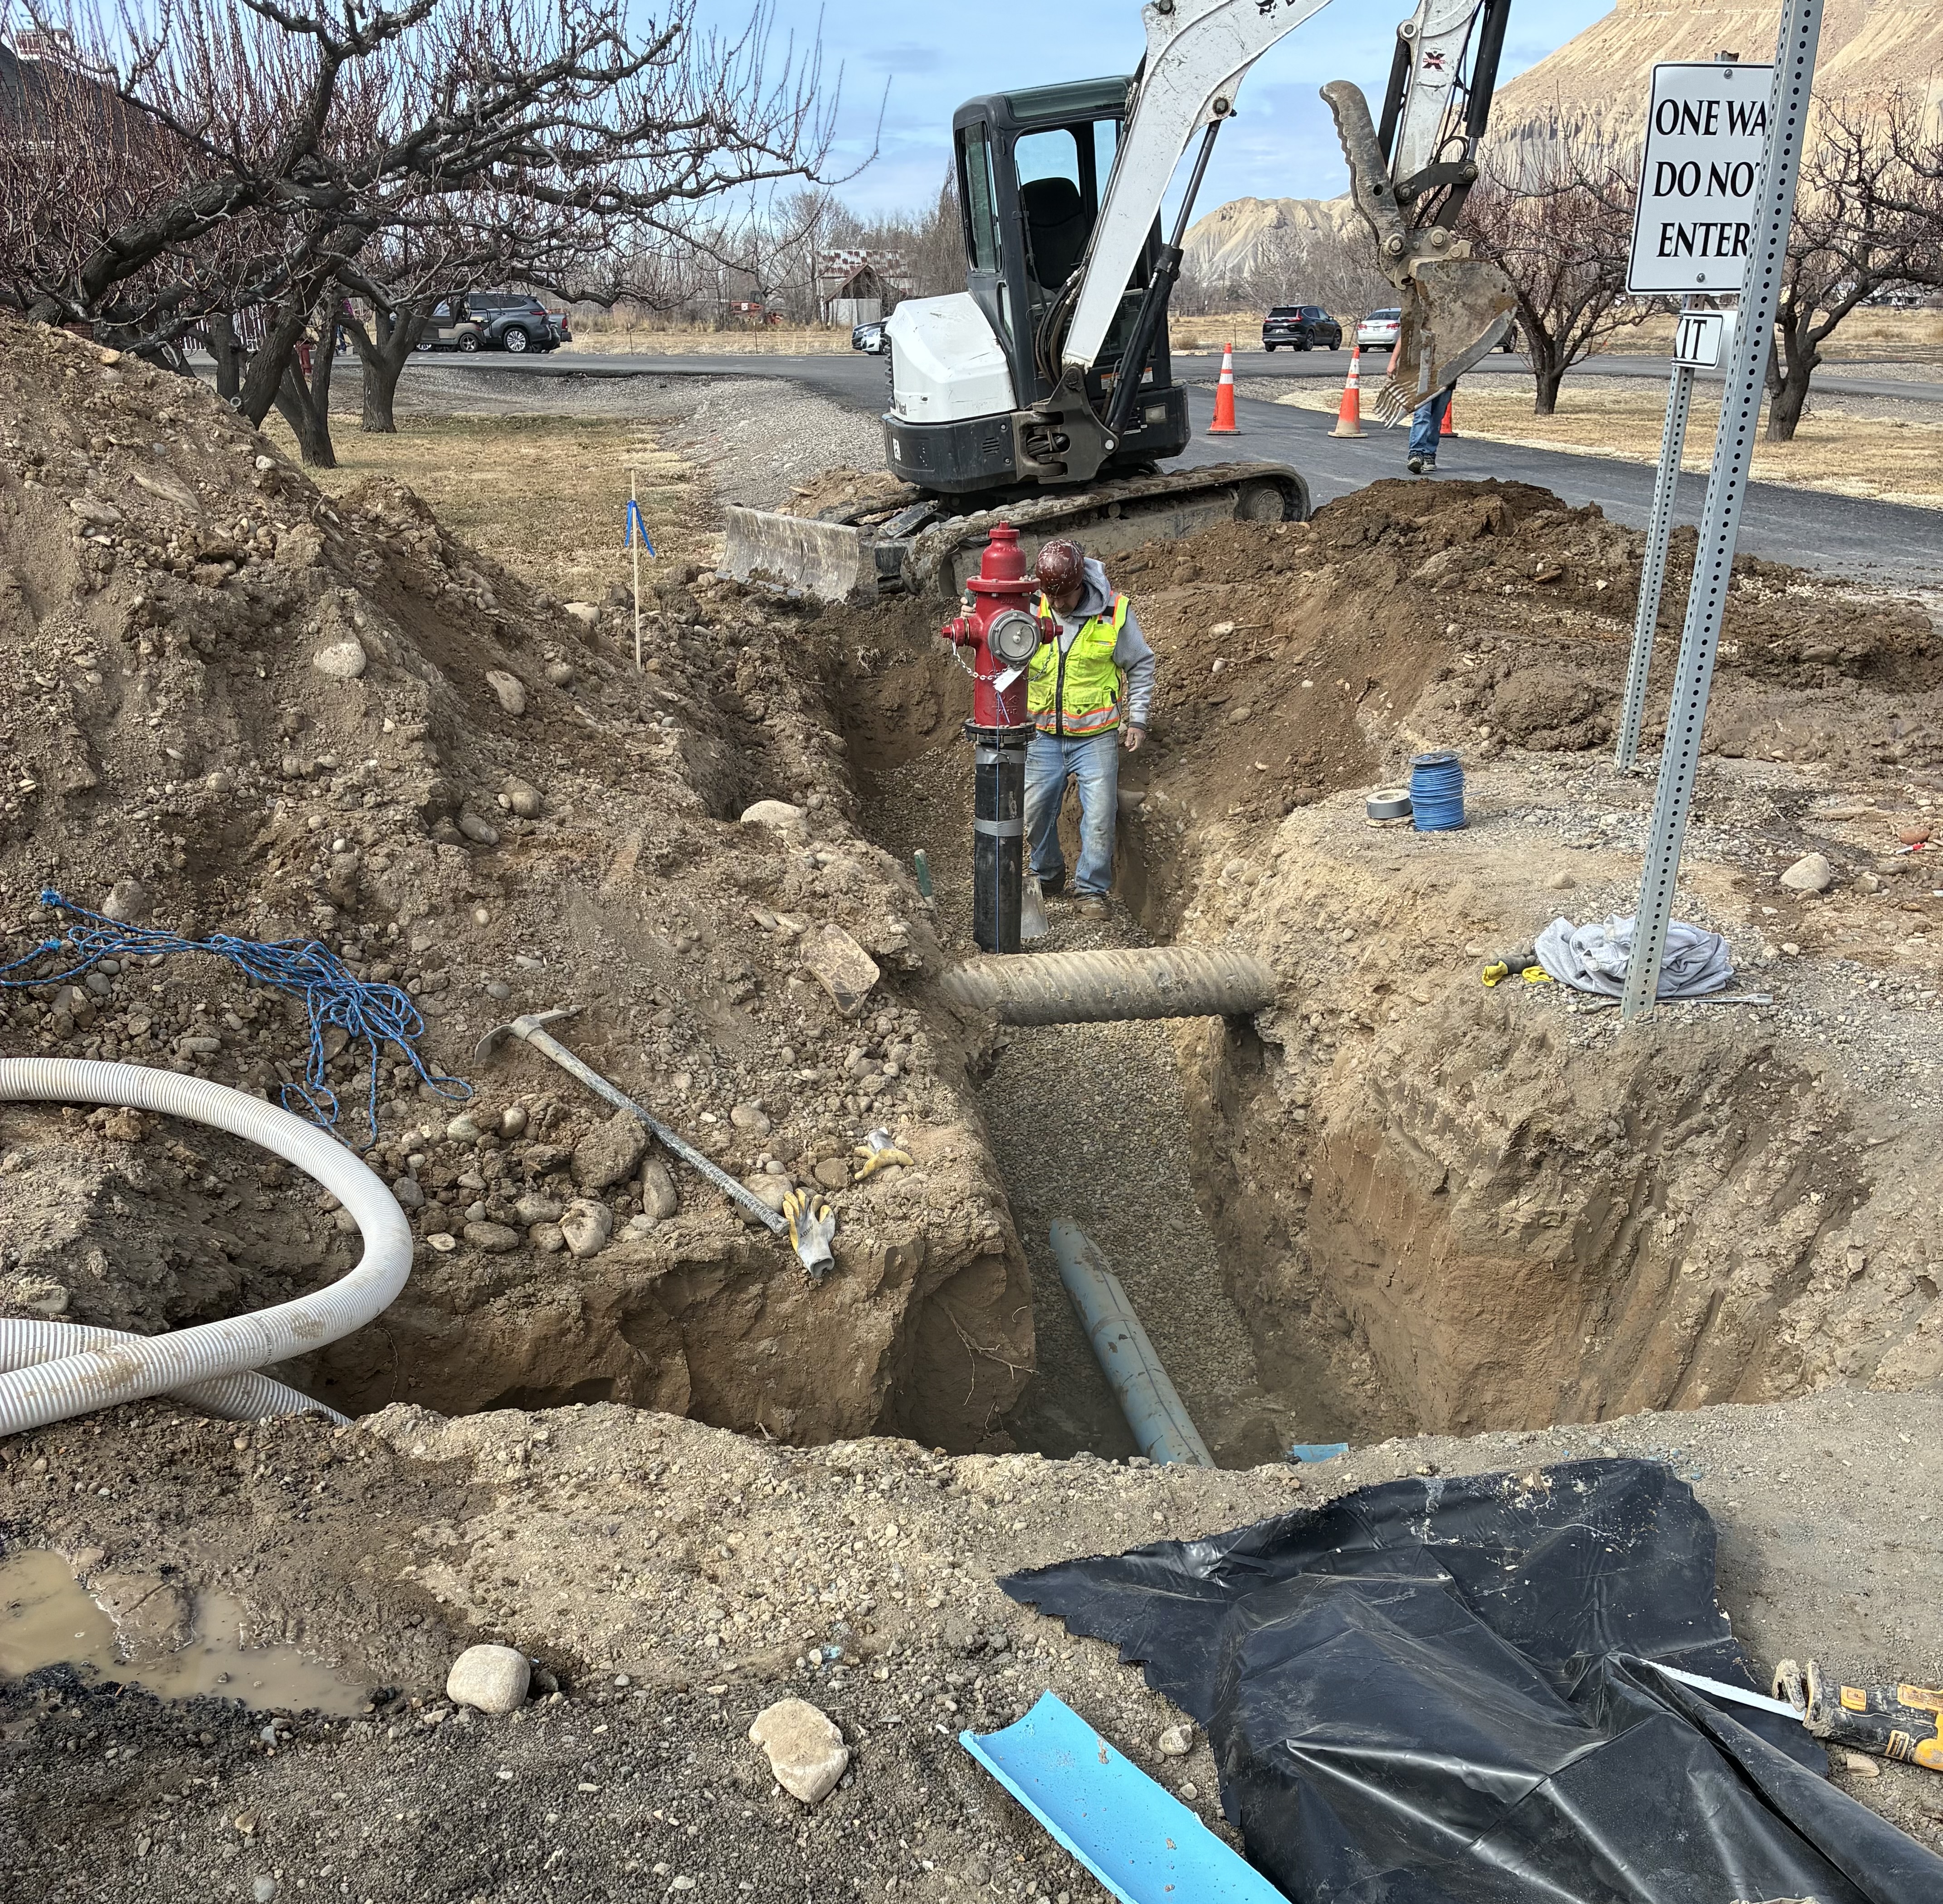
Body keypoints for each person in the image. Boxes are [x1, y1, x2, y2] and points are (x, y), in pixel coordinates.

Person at [1022, 538, 1156, 921]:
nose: (1057, 603)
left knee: (1098, 816)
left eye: (1063, 595)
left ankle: (1091, 891)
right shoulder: (1033, 604)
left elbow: (1141, 665)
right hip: (1043, 732)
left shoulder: (1115, 612)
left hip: (1096, 736)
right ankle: (1047, 876)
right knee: (1035, 812)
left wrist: (1138, 718)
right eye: (1051, 594)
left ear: (1081, 581)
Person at [1406, 384, 1451, 475]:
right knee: (1422, 415)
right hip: (1423, 379)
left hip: (1447, 380)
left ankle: (1429, 454)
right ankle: (1416, 454)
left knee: (1436, 419)